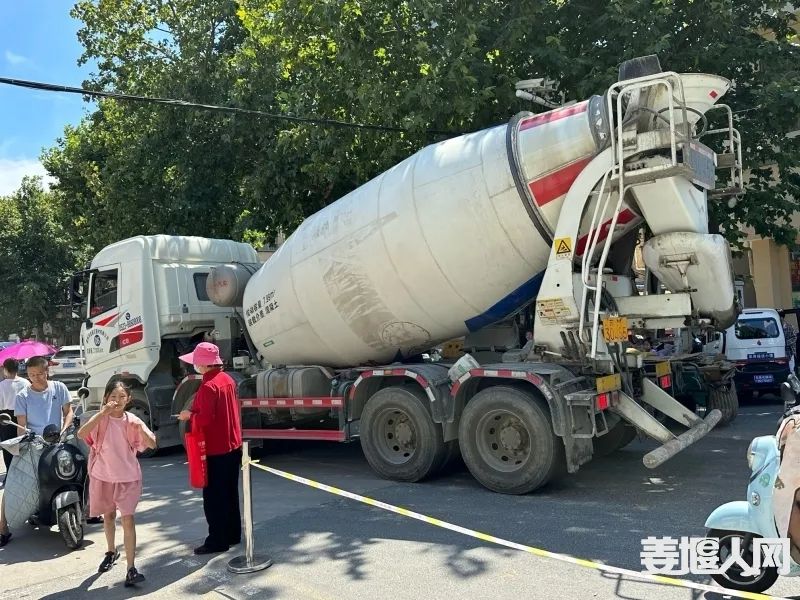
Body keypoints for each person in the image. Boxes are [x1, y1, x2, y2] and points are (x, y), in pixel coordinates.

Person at [77, 379, 155, 586]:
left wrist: (142, 430)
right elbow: (81, 434)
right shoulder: (100, 419)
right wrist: (102, 413)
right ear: (105, 398)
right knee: (109, 516)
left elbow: (152, 443)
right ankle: (111, 552)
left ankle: (131, 568)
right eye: (113, 396)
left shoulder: (132, 421)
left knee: (128, 519)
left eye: (122, 397)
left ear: (128, 399)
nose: (117, 400)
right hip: (103, 476)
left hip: (128, 478)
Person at [0, 355, 73, 546]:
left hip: (58, 441)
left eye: (40, 374)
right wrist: (23, 444)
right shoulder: (22, 395)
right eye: (32, 375)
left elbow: (69, 412)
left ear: (47, 371)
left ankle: (90, 511)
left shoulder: (59, 388)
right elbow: (22, 425)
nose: (36, 378)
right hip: (34, 444)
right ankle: (2, 527)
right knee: (13, 480)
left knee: (82, 465)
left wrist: (65, 429)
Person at [177, 342, 242, 554]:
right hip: (232, 445)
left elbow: (204, 419)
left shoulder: (208, 386)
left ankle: (217, 540)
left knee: (214, 498)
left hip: (215, 449)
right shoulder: (228, 380)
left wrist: (189, 415)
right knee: (230, 494)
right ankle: (232, 534)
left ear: (204, 364)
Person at [0, 359, 29, 472]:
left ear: (5, 369)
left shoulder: (1, 385)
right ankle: (23, 470)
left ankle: (10, 471)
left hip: (5, 417)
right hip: (23, 415)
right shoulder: (25, 383)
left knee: (8, 445)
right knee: (23, 444)